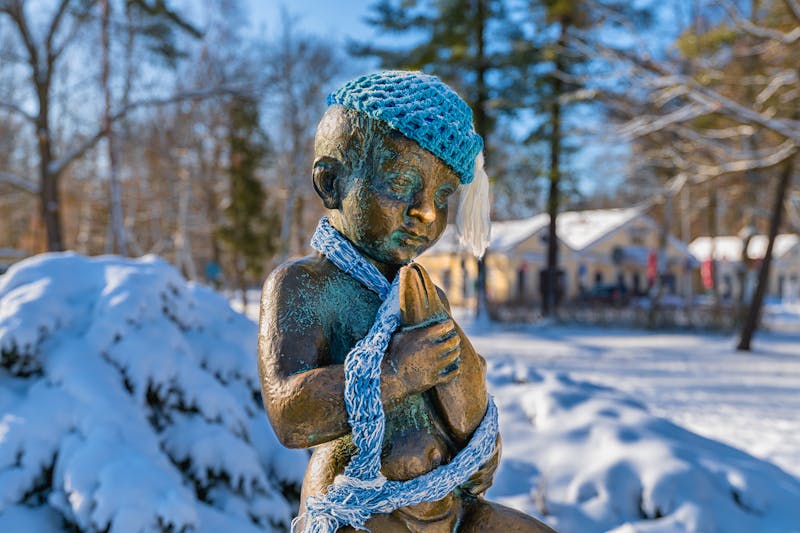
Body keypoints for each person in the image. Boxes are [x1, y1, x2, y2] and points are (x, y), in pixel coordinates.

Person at [258, 71, 555, 533]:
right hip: (358, 504)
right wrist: (395, 372)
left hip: (446, 501)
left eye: (442, 196)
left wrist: (478, 445)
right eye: (401, 185)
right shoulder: (302, 286)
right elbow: (290, 415)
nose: (428, 213)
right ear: (331, 181)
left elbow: (460, 390)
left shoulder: (422, 295)